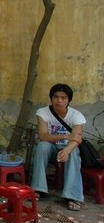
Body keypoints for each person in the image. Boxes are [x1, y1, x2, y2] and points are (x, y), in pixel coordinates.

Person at [31, 83, 85, 211]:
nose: (59, 100)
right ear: (51, 98)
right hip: (51, 147)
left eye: (63, 98)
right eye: (55, 97)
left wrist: (66, 150)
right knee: (42, 146)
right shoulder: (43, 112)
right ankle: (38, 189)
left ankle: (72, 196)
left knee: (73, 152)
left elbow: (77, 138)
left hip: (68, 148)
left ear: (69, 100)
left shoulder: (76, 115)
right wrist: (65, 136)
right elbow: (43, 136)